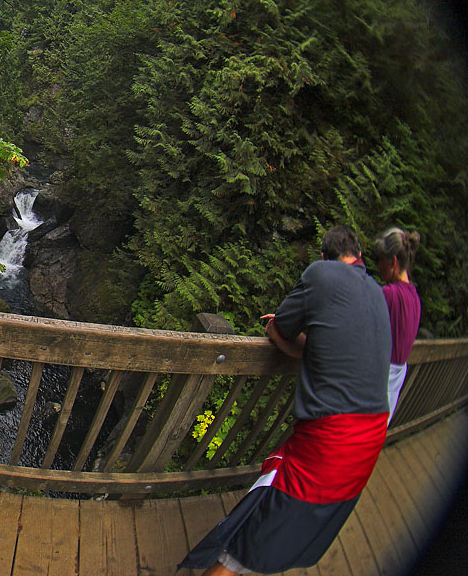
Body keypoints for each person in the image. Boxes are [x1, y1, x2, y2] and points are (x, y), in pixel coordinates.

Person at [179, 225, 391, 575]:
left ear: (324, 256)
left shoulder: (321, 273)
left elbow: (282, 332)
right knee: (283, 532)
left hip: (331, 440)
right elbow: (336, 347)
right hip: (370, 441)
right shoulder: (378, 293)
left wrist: (275, 327)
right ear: (360, 258)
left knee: (250, 541)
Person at [375, 227, 422, 424]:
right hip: (390, 395)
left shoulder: (389, 294)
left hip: (375, 388)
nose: (378, 266)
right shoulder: (415, 299)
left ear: (393, 261)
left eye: (381, 261)